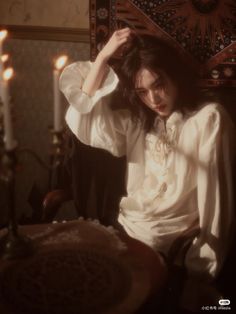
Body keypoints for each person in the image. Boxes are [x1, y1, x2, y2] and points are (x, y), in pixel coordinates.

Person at [59, 28, 235, 310]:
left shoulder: (209, 120)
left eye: (159, 84)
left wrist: (202, 271)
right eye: (142, 91)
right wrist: (103, 57)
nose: (154, 99)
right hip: (127, 226)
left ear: (174, 75)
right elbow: (85, 120)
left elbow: (217, 203)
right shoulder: (139, 123)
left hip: (170, 238)